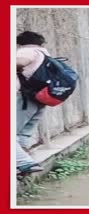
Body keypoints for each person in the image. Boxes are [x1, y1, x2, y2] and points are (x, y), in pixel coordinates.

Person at [16, 31, 50, 174]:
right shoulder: (44, 53)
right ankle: (23, 160)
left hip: (24, 99)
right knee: (23, 134)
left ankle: (25, 162)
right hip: (39, 99)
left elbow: (20, 62)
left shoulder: (28, 51)